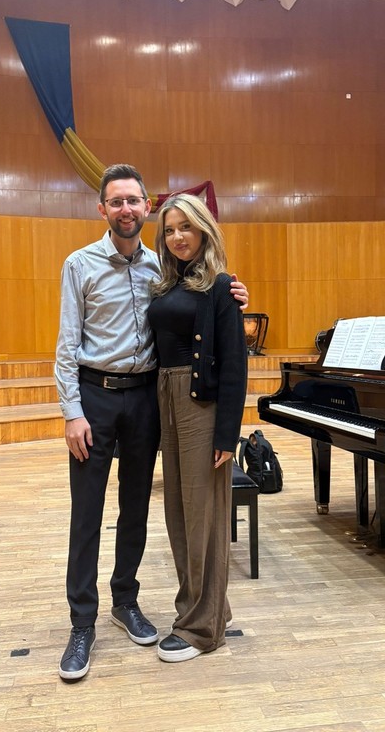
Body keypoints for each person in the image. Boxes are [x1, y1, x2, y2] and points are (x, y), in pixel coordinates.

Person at [54, 164, 248, 681]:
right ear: (103, 208)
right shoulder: (81, 264)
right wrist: (72, 412)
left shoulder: (160, 270)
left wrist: (233, 296)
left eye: (134, 201)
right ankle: (82, 623)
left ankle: (125, 600)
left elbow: (211, 317)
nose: (126, 209)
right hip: (96, 397)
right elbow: (66, 346)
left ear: (145, 206)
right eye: (116, 201)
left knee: (138, 508)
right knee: (87, 513)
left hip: (147, 398)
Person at [148, 193, 248, 663]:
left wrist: (227, 435)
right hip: (166, 398)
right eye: (169, 230)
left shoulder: (221, 286)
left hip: (200, 404)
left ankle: (201, 630)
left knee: (203, 516)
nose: (177, 237)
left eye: (185, 227)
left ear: (204, 229)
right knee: (180, 513)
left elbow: (234, 364)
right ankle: (209, 609)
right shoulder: (166, 283)